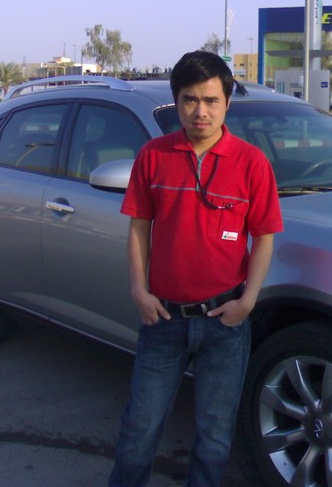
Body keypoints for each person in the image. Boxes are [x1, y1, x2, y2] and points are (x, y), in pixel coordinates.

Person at [109, 50, 283, 487]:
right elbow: (138, 227)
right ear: (177, 102)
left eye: (210, 100)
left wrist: (247, 302)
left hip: (224, 324)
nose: (200, 111)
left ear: (227, 103)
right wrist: (139, 290)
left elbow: (263, 237)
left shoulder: (251, 163)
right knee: (140, 429)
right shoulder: (153, 156)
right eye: (189, 100)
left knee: (215, 436)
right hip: (163, 320)